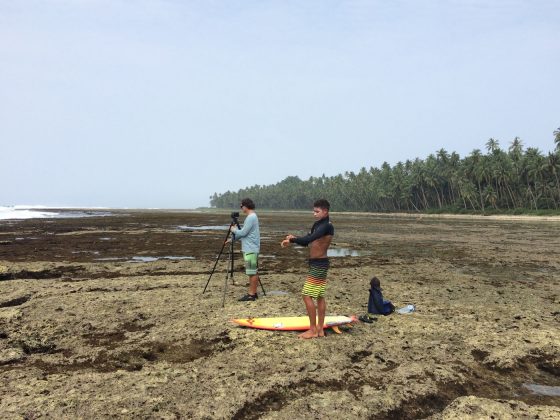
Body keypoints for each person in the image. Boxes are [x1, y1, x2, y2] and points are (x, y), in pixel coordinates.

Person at [281, 199, 334, 339]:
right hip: (317, 263)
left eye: (317, 211)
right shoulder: (317, 224)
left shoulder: (327, 226)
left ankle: (313, 330)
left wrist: (293, 239)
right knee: (319, 296)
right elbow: (307, 242)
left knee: (306, 295)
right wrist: (293, 239)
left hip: (319, 264)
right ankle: (320, 329)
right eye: (314, 211)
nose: (314, 214)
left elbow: (307, 240)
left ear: (325, 211)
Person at [230, 198, 261, 301]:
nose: (241, 208)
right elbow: (245, 233)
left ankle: (251, 294)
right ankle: (253, 293)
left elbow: (243, 233)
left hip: (250, 249)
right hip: (251, 247)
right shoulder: (252, 216)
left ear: (245, 206)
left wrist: (233, 229)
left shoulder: (251, 217)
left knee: (252, 272)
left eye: (241, 206)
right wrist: (232, 239)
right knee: (252, 271)